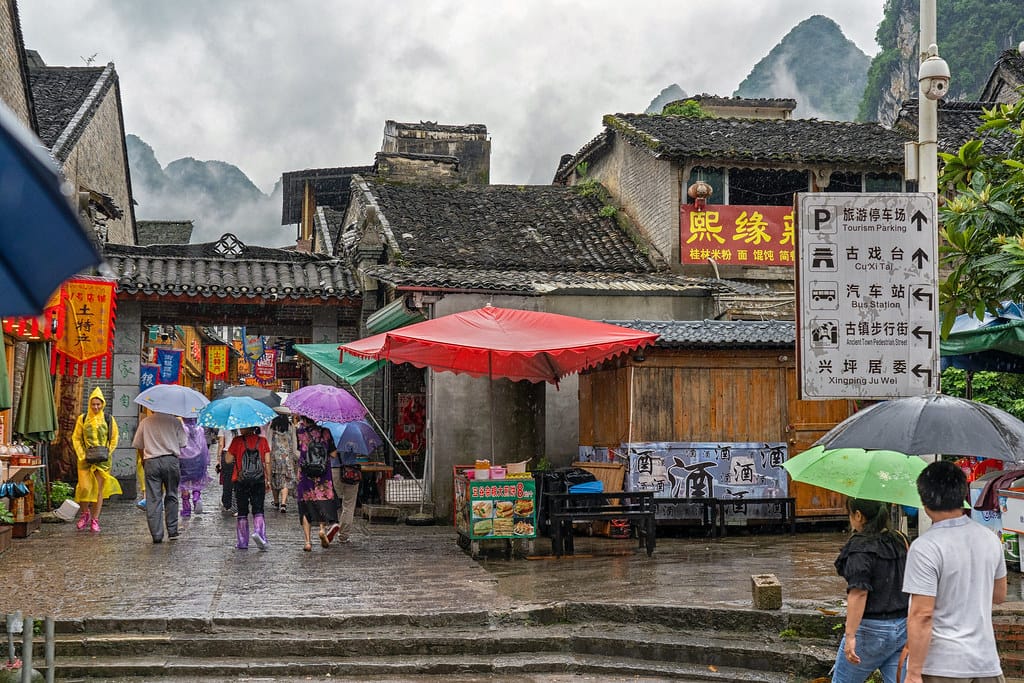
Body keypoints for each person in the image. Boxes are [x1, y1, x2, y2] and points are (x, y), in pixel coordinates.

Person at [903, 460, 1007, 683]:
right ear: (962, 494)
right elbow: (999, 596)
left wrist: (913, 672)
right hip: (986, 663)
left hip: (943, 666)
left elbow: (922, 614)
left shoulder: (925, 547)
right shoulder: (990, 538)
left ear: (924, 500)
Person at [831, 497, 908, 683]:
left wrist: (850, 636)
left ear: (858, 515)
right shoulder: (899, 540)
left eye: (850, 514)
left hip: (871, 629)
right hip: (901, 626)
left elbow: (859, 592)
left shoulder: (860, 548)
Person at [70, 388, 123, 533]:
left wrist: (107, 452)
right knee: (85, 488)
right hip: (85, 460)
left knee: (98, 491)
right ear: (89, 404)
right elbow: (76, 438)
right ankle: (85, 513)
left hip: (103, 461)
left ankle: (95, 519)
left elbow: (114, 438)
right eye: (93, 404)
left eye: (98, 404)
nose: (96, 407)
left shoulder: (108, 419)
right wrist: (81, 454)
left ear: (103, 404)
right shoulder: (82, 418)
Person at [132, 408, 187, 544]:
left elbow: (138, 444)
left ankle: (157, 534)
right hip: (171, 461)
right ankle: (172, 531)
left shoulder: (145, 422)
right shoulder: (175, 421)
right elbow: (183, 443)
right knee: (172, 495)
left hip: (152, 461)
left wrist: (144, 460)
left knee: (153, 499)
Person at [295, 415, 339, 551]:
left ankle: (307, 542)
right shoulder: (325, 432)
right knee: (322, 502)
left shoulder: (300, 432)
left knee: (305, 505)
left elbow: (300, 452)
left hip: (305, 473)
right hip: (323, 474)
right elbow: (334, 454)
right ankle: (322, 529)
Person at [227, 426, 271, 550]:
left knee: (242, 511)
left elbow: (228, 460)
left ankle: (242, 541)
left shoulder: (237, 440)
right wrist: (268, 480)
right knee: (258, 508)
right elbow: (267, 462)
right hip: (258, 480)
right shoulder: (262, 441)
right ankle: (259, 534)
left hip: (240, 480)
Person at [178, 417, 212, 517]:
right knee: (196, 480)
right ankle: (196, 497)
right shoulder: (200, 429)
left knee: (183, 482)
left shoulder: (182, 428)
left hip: (184, 459)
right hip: (198, 459)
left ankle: (186, 508)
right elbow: (204, 446)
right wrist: (206, 460)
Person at [268, 412, 298, 513]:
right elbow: (294, 443)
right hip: (287, 458)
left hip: (275, 458)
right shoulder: (291, 426)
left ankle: (276, 501)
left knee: (275, 479)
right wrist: (296, 456)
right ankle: (283, 503)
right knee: (285, 480)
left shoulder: (272, 426)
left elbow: (268, 442)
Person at [330, 444, 360, 544]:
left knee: (331, 500)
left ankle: (331, 525)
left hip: (335, 469)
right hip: (351, 470)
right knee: (349, 504)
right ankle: (343, 535)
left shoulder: (331, 434)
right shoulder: (355, 435)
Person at [216, 429, 236, 513]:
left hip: (227, 453)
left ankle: (227, 503)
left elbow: (221, 444)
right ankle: (237, 503)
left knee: (227, 480)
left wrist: (218, 458)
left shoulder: (223, 427)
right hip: (238, 453)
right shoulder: (242, 425)